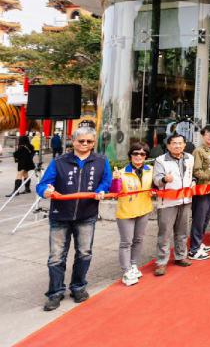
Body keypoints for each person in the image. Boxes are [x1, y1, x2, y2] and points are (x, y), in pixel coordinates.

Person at [36, 126, 112, 311]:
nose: (85, 144)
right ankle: (55, 292)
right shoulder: (59, 161)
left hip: (87, 215)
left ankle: (78, 287)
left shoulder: (101, 161)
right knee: (56, 257)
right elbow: (43, 185)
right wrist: (46, 191)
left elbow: (106, 181)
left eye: (89, 141)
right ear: (73, 140)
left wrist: (101, 190)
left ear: (94, 142)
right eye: (81, 141)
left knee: (84, 253)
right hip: (60, 215)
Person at [152, 133, 195, 277]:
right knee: (164, 233)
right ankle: (161, 262)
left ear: (184, 145)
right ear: (168, 145)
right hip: (167, 202)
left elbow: (192, 174)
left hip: (185, 200)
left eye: (180, 143)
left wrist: (193, 181)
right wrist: (164, 179)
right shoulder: (161, 160)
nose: (177, 146)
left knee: (182, 231)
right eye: (174, 143)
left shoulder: (190, 158)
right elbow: (156, 180)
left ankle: (180, 256)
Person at [115, 142, 153, 287]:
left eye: (142, 154)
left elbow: (156, 185)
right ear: (130, 155)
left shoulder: (151, 170)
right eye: (135, 153)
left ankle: (133, 265)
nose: (139, 156)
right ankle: (126, 271)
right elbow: (115, 191)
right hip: (126, 211)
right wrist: (115, 180)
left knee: (138, 240)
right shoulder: (121, 172)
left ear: (146, 156)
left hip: (144, 209)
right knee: (126, 242)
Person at [189, 126, 210, 260]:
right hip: (202, 189)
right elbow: (196, 171)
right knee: (199, 219)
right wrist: (208, 176)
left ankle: (199, 242)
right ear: (202, 136)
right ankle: (194, 249)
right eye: (208, 134)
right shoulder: (198, 151)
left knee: (206, 218)